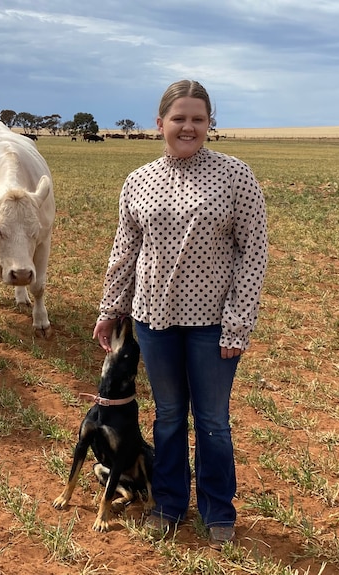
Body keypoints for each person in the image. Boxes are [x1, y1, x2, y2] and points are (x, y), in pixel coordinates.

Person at [92, 79, 268, 549]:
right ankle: (169, 504)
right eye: (178, 118)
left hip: (215, 325)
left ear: (210, 123)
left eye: (197, 118)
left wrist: (238, 323)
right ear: (160, 124)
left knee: (212, 421)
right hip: (154, 321)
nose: (187, 126)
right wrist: (111, 309)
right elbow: (123, 253)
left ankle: (218, 512)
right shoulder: (139, 180)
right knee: (168, 416)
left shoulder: (236, 176)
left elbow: (254, 254)